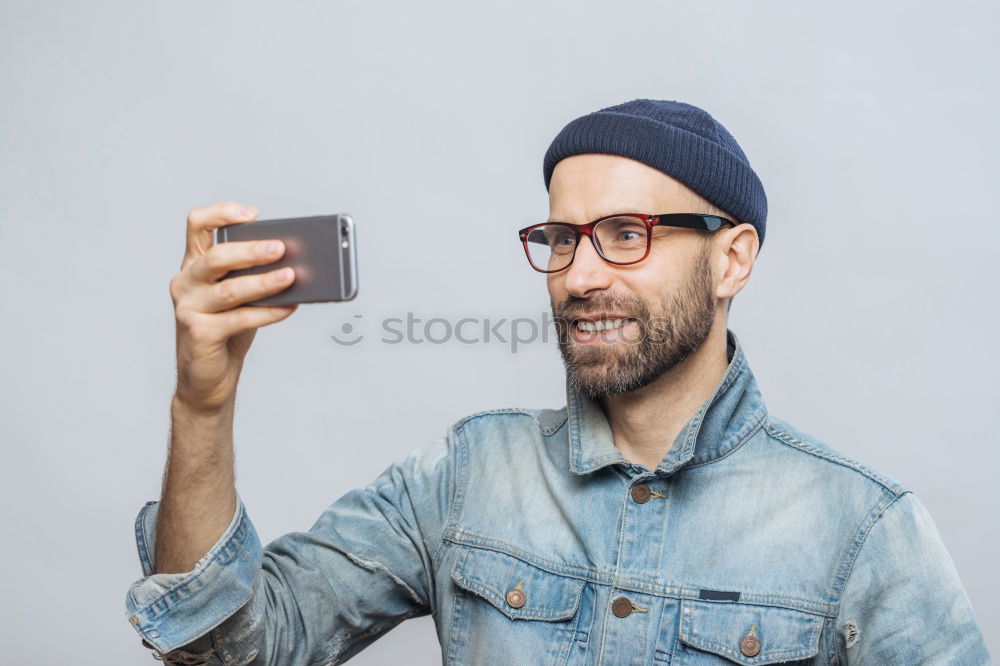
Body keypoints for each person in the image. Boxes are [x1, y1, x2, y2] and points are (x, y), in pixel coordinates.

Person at [125, 99, 992, 665]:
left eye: (625, 234)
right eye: (563, 238)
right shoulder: (467, 474)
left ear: (733, 259)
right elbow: (228, 648)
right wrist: (202, 403)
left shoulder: (863, 528)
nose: (579, 276)